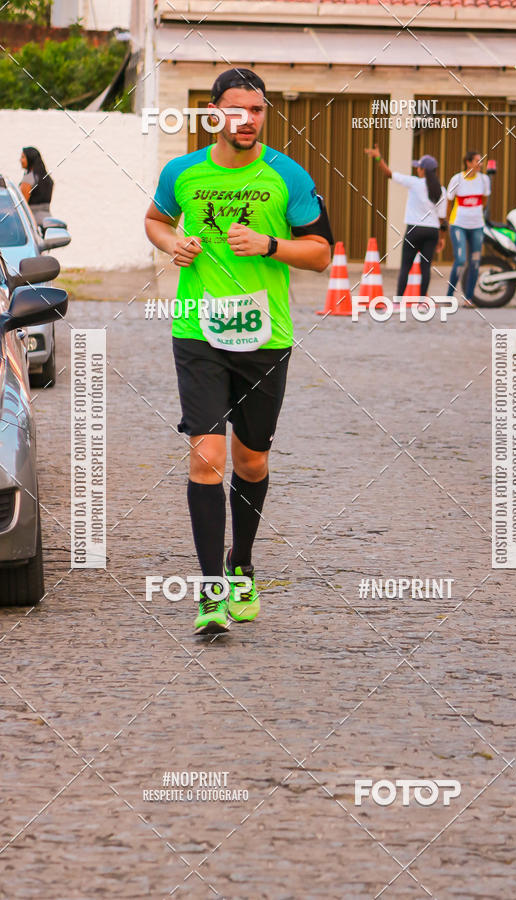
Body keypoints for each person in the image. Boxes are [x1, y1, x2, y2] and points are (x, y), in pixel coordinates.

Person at [145, 68, 333, 635]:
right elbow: (154, 222)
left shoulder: (287, 176)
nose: (247, 121)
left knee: (250, 461)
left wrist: (270, 245)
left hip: (263, 336)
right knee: (207, 457)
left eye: (257, 111)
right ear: (213, 112)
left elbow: (322, 253)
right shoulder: (181, 172)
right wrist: (173, 242)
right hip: (197, 329)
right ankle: (209, 594)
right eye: (236, 110)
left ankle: (241, 565)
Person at [365, 145, 447, 297]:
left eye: (418, 167)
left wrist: (378, 158)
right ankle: (423, 302)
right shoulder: (441, 190)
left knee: (405, 267)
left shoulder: (414, 183)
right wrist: (441, 238)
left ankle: (398, 302)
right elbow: (442, 218)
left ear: (423, 170)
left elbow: (389, 174)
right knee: (425, 268)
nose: (417, 169)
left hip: (414, 229)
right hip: (432, 231)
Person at [446, 150, 491, 306]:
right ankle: (449, 295)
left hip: (477, 225)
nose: (480, 164)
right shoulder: (457, 179)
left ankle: (468, 298)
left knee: (475, 261)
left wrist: (476, 213)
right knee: (460, 259)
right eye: (477, 161)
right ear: (468, 162)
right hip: (458, 224)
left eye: (481, 161)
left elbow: (484, 200)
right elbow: (449, 201)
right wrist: (446, 222)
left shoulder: (484, 180)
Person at [19, 147, 54, 226]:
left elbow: (22, 205)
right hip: (48, 220)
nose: (20, 160)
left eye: (23, 157)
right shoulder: (48, 179)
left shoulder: (28, 179)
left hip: (32, 222)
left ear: (30, 158)